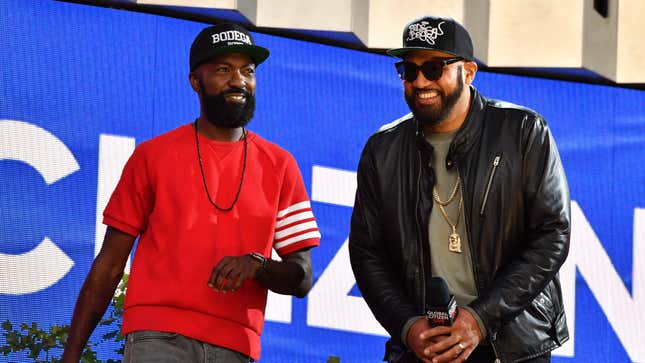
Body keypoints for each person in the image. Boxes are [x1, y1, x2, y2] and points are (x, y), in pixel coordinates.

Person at [62, 23, 320, 363]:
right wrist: (72, 353)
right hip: (157, 334)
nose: (238, 80)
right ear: (196, 81)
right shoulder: (152, 156)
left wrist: (258, 266)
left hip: (236, 345)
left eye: (248, 70)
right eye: (224, 69)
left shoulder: (280, 165)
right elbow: (110, 264)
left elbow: (301, 277)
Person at [349, 16, 570, 363]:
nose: (420, 81)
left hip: (510, 344)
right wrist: (408, 327)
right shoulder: (383, 149)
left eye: (434, 68)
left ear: (468, 72)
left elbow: (553, 234)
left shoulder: (523, 131)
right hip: (424, 345)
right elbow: (367, 252)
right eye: (409, 70)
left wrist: (480, 319)